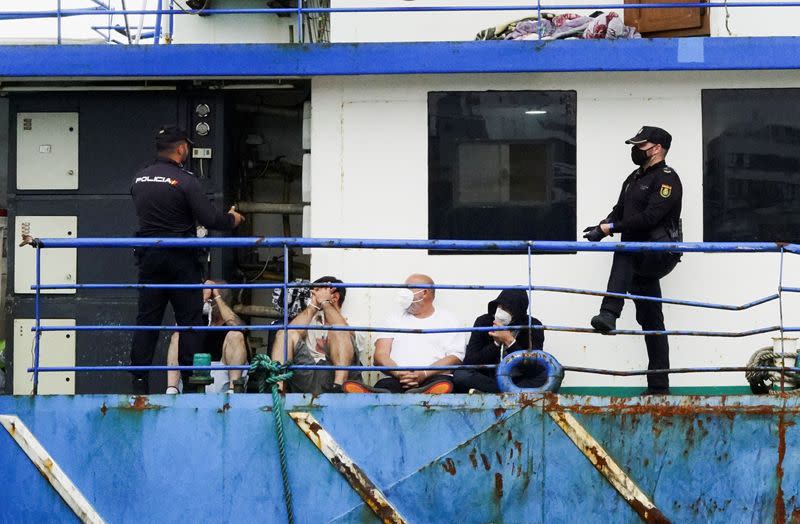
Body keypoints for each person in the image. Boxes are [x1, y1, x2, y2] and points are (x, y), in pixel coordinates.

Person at [129, 125, 244, 394]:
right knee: (189, 322)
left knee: (147, 321)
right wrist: (233, 220)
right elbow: (210, 219)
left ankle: (139, 382)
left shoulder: (139, 178)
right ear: (181, 148)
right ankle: (192, 383)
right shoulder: (186, 179)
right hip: (181, 260)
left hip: (150, 259)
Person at [583, 126, 682, 395]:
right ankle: (659, 387)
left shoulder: (667, 179)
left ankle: (609, 312)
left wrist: (611, 229)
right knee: (652, 322)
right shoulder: (634, 178)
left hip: (659, 252)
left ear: (657, 148)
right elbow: (619, 211)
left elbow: (650, 218)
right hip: (639, 258)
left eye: (640, 145)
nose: (635, 150)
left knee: (624, 250)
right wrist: (601, 226)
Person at [344, 273, 465, 394]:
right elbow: (380, 355)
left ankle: (423, 394)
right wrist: (399, 373)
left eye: (409, 288)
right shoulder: (393, 318)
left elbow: (455, 357)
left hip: (435, 378)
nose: (404, 292)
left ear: (425, 292)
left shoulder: (449, 319)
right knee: (385, 386)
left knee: (444, 385)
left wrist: (424, 373)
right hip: (396, 379)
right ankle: (379, 396)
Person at [271, 276, 362, 394]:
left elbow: (341, 329)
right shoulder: (310, 320)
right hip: (310, 376)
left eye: (317, 293)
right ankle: (278, 389)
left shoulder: (352, 323)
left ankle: (338, 388)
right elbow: (288, 335)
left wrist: (325, 303)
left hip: (339, 378)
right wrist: (313, 306)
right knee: (285, 333)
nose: (313, 297)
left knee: (338, 330)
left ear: (334, 297)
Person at [454, 289, 545, 393]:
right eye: (499, 306)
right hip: (489, 379)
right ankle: (506, 394)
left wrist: (510, 342)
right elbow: (470, 362)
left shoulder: (533, 326)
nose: (500, 312)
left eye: (507, 309)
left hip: (519, 380)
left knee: (551, 374)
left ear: (518, 312)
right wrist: (496, 344)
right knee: (461, 375)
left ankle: (493, 393)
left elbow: (534, 368)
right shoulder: (483, 322)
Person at [166, 280, 249, 394]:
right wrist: (202, 300)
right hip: (194, 373)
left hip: (223, 375)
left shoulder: (230, 320)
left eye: (212, 298)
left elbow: (240, 328)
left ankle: (232, 390)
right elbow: (178, 326)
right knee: (178, 335)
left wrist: (218, 298)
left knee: (235, 335)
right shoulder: (198, 318)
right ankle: (172, 389)